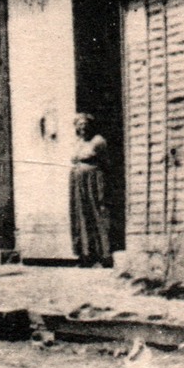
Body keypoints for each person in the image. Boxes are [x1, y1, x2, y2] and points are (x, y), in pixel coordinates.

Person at [70, 113, 112, 267]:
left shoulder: (98, 141)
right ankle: (86, 255)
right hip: (78, 180)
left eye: (85, 124)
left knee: (97, 212)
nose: (82, 128)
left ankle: (104, 255)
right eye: (79, 125)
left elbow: (105, 163)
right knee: (80, 214)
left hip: (93, 179)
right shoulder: (77, 142)